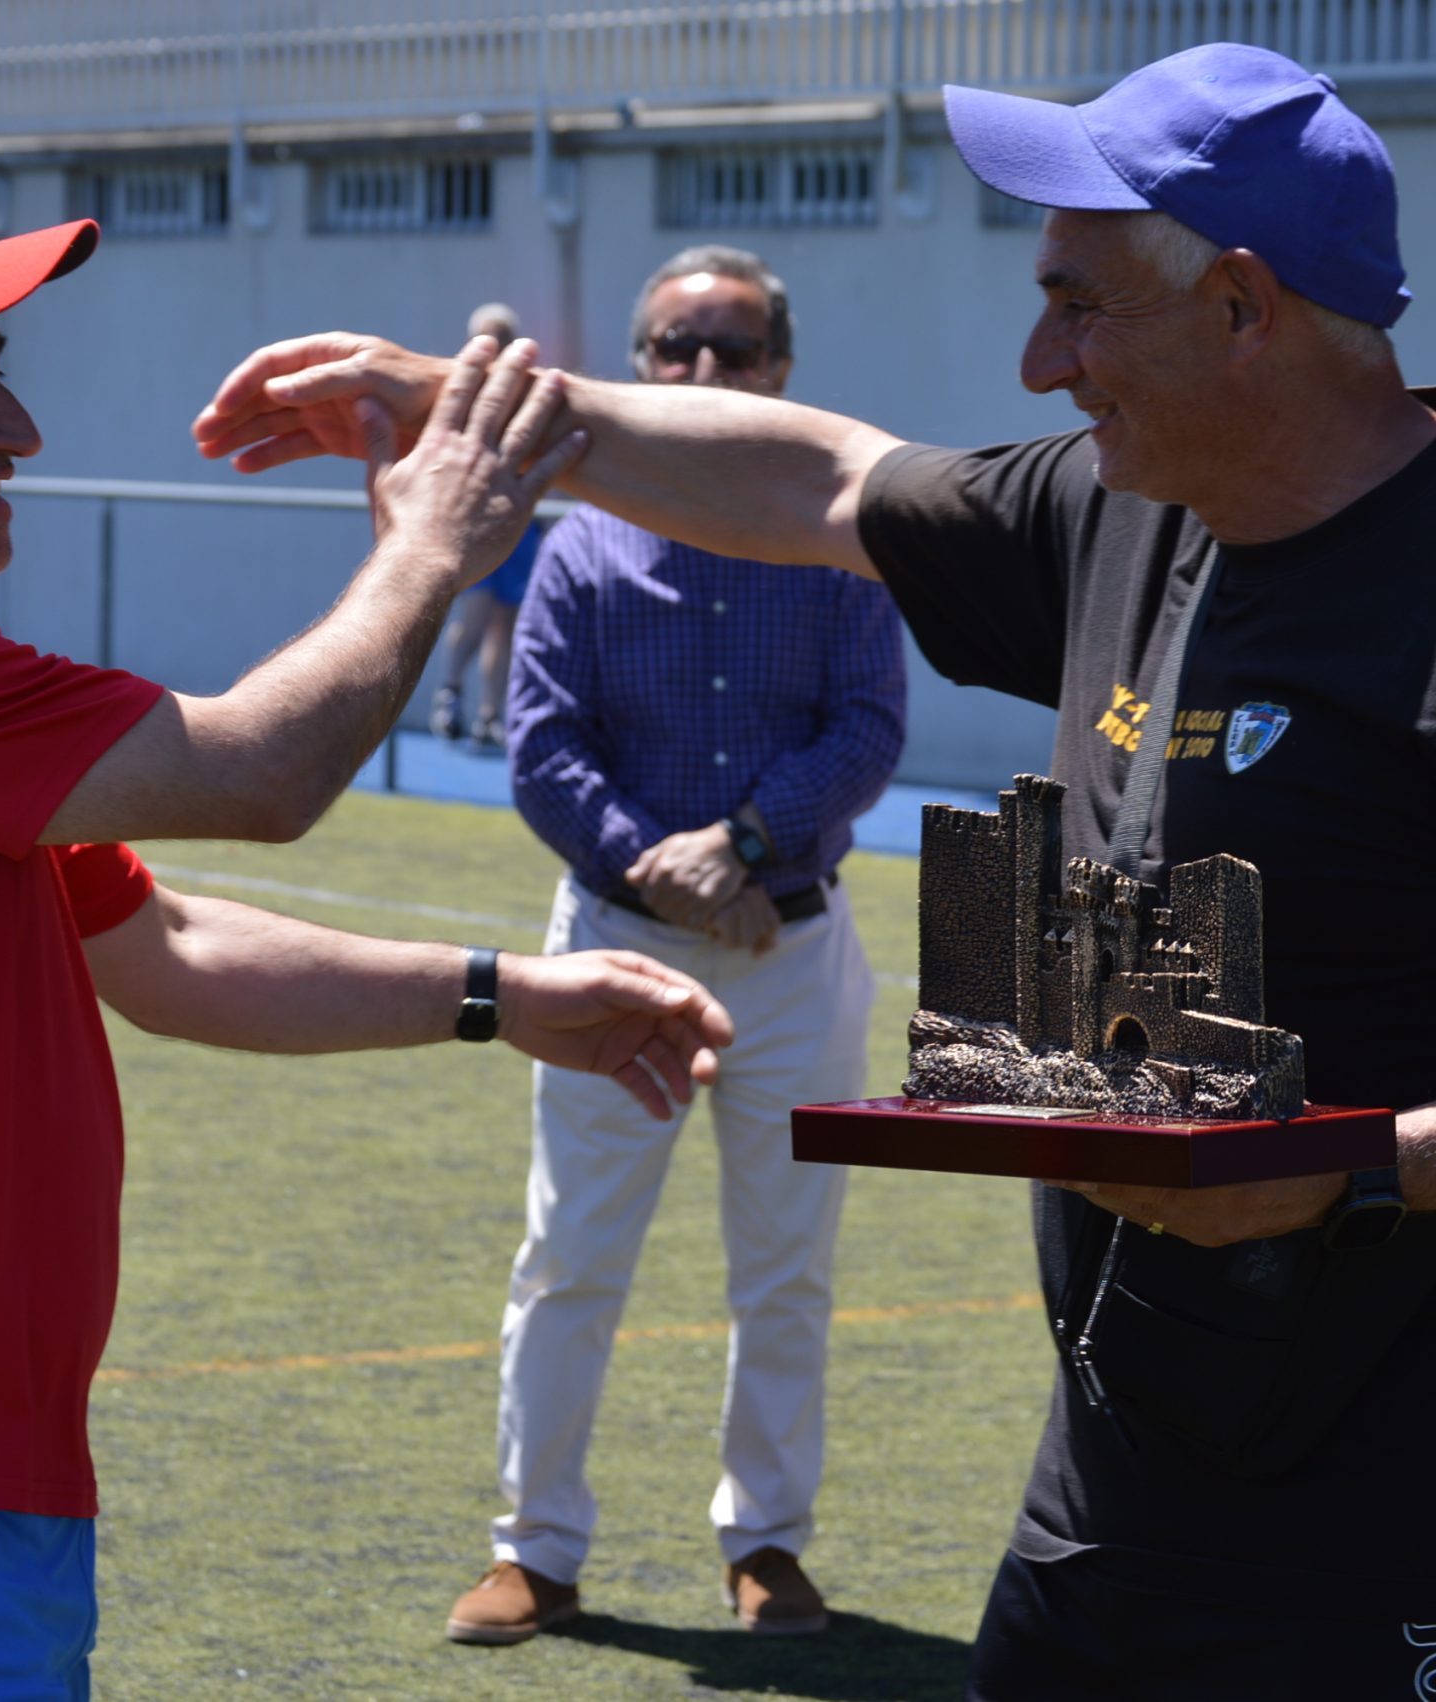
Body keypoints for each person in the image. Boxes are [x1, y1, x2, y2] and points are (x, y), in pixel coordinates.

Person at [195, 44, 1436, 1699]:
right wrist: (500, 418)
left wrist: (1356, 1168)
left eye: (1080, 305)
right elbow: (821, 476)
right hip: (1118, 1491)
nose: (1042, 364)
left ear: (1244, 308)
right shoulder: (1133, 510)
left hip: (1419, 1533)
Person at [0, 177, 734, 1698]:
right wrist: (430, 546)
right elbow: (260, 772)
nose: (18, 432)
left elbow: (164, 943)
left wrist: (503, 994)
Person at [443, 245, 906, 1646]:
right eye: (673, 348)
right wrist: (675, 868)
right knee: (571, 1254)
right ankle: (537, 1548)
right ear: (638, 368)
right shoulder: (581, 541)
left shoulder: (841, 540)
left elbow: (870, 728)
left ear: (780, 372)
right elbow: (543, 750)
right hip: (612, 956)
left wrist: (747, 846)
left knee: (786, 1267)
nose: (701, 375)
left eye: (733, 349)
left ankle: (766, 1543)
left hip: (794, 958)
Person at [429, 303, 543, 747]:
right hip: (474, 520)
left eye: (496, 340)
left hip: (518, 522)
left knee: (506, 626)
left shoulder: (526, 392)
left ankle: (490, 716)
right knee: (475, 615)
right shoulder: (458, 389)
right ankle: (451, 696)